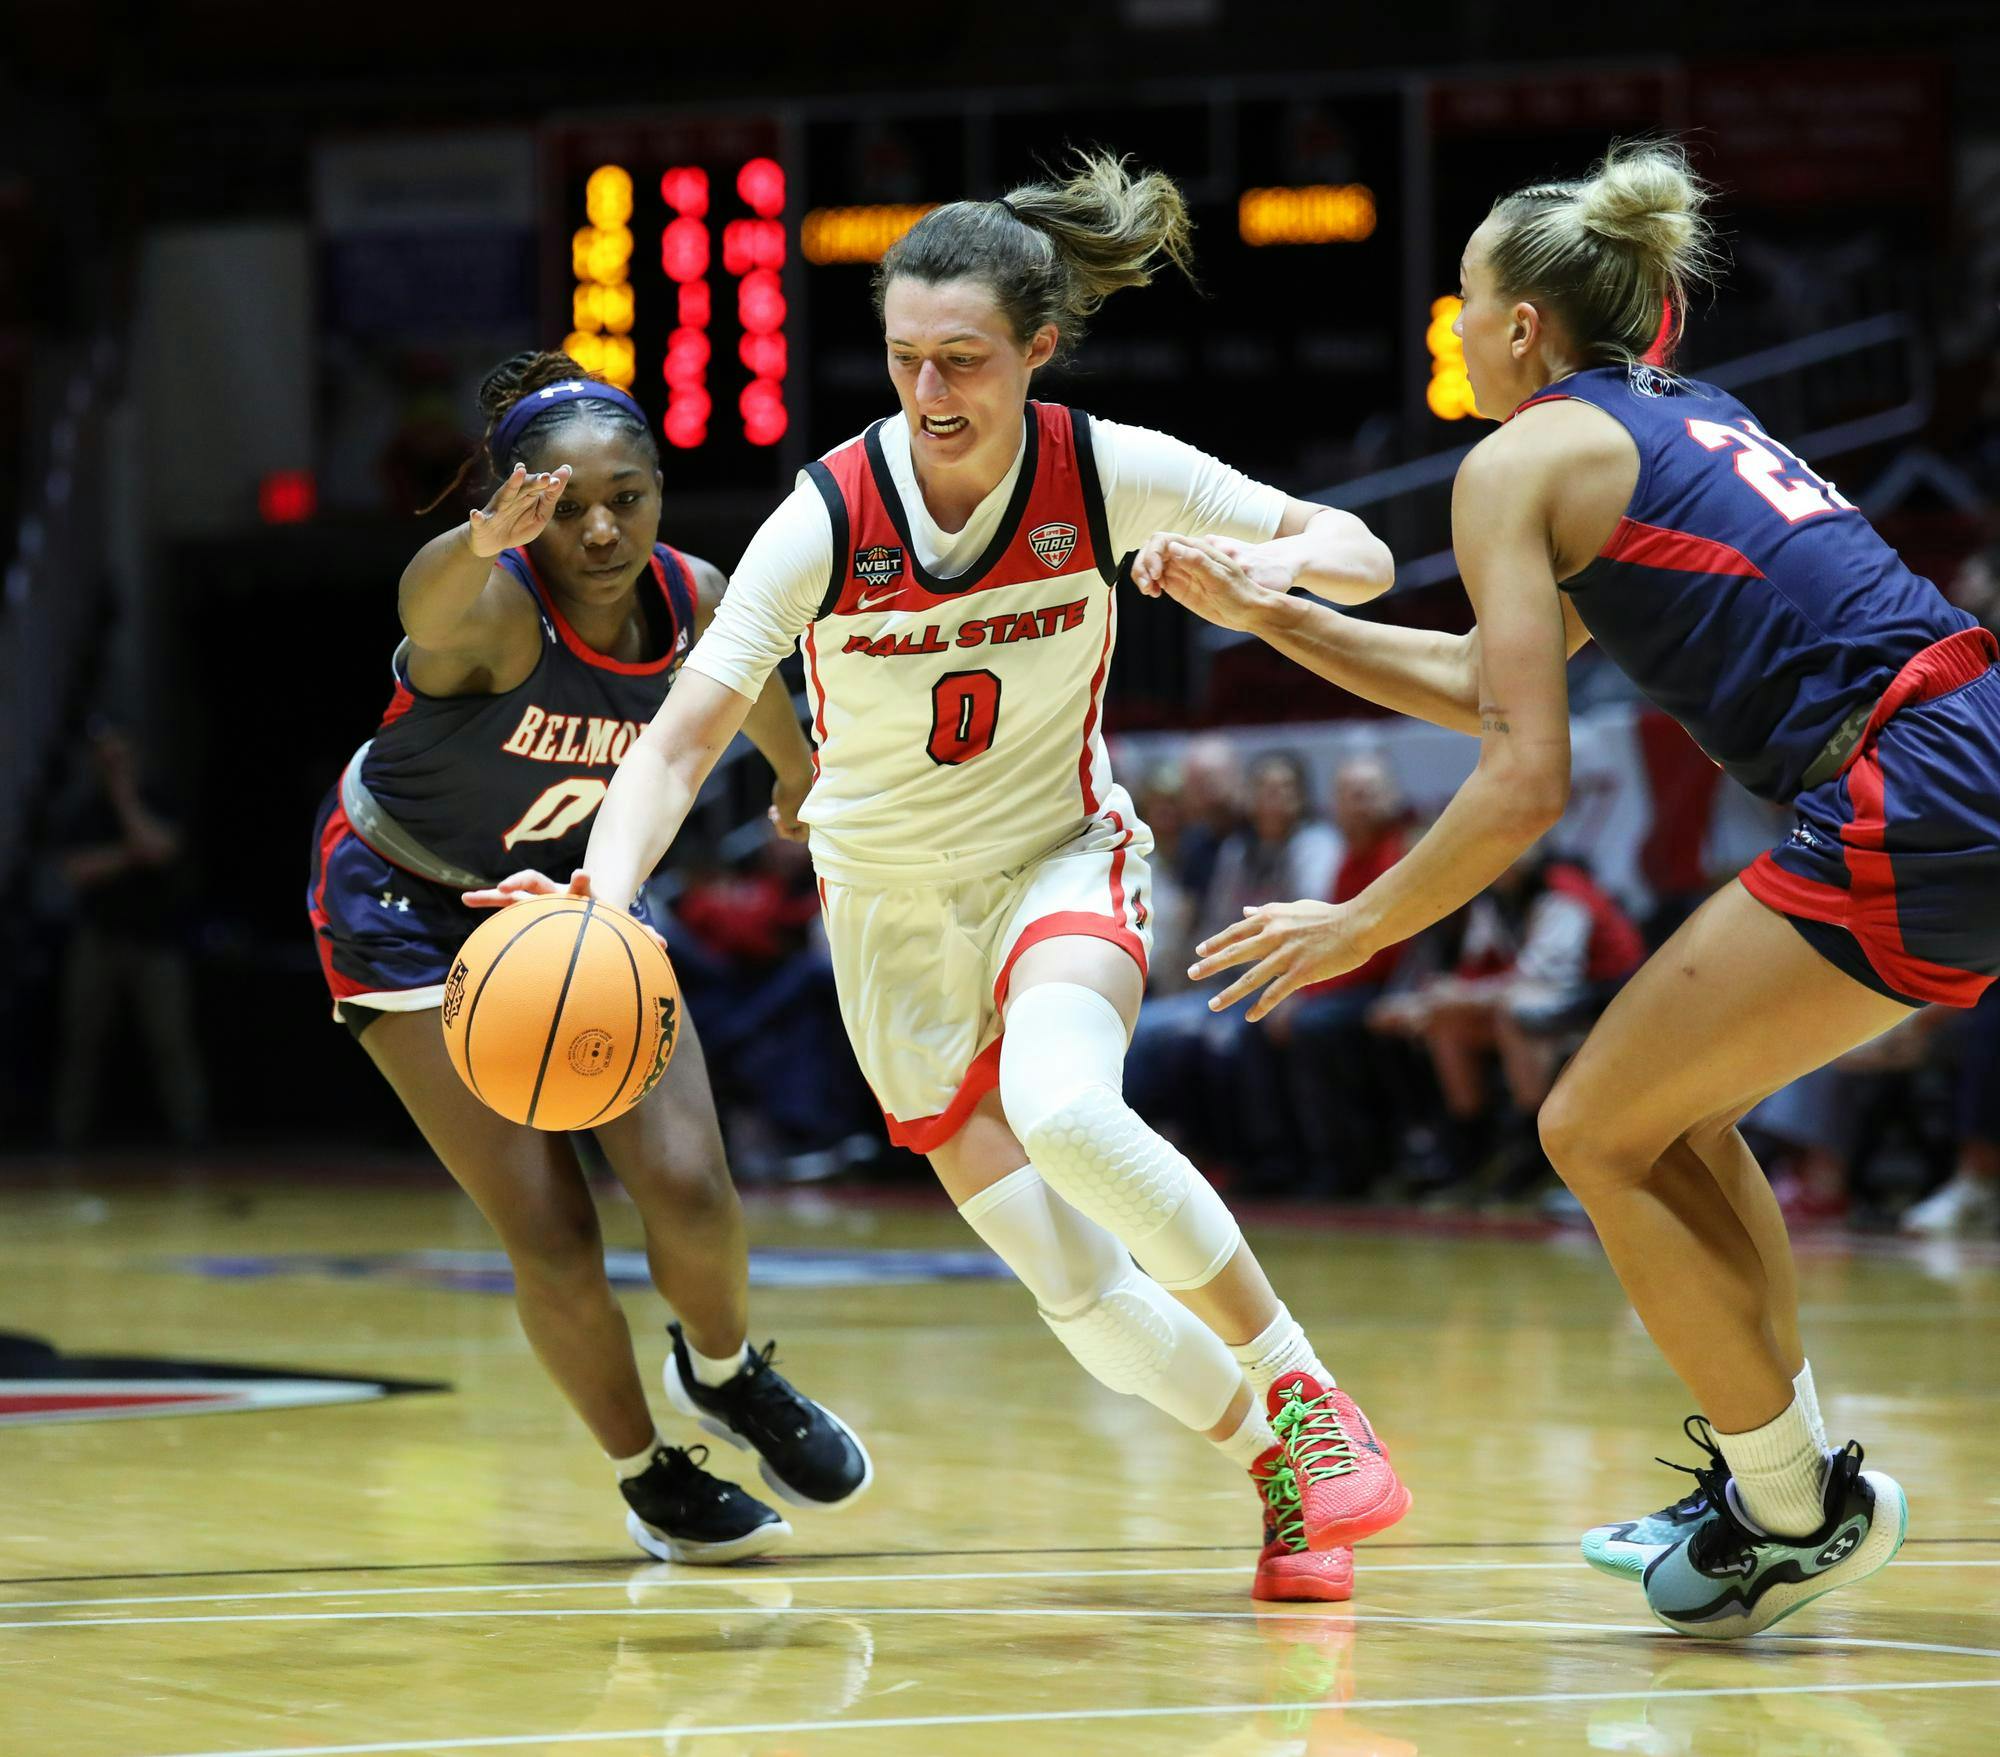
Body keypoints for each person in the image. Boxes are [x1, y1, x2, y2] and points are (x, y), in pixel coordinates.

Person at [473, 152, 1409, 1603]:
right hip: (891, 919)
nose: (931, 390)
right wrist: (600, 891)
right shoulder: (828, 514)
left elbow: (1360, 548)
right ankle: (1280, 1473)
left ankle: (1305, 1390)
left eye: (963, 359)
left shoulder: (1103, 470)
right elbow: (676, 746)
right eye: (907, 358)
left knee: (1066, 1106)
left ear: (1037, 348)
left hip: (1060, 860)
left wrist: (1272, 572)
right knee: (1070, 1281)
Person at [1155, 139, 2000, 1637]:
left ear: (1525, 327)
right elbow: (1489, 678)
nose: (1458, 331)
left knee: (1589, 1127)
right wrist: (1273, 614)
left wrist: (1359, 926)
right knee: (1664, 1116)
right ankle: (1783, 1485)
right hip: (1957, 754)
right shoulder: (1680, 418)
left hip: (1913, 788)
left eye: (1465, 306)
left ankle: (1792, 1505)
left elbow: (1523, 778)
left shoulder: (1516, 457)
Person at [307, 350, 870, 1564]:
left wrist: (793, 770)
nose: (603, 526)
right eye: (568, 504)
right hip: (407, 905)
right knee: (550, 1227)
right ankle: (645, 1471)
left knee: (690, 1185)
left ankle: (722, 1372)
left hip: (573, 900)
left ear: (661, 491)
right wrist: (472, 545)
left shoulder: (697, 593)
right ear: (521, 504)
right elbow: (423, 610)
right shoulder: (493, 608)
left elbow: (744, 686)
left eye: (631, 494)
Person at [1370, 850, 1644, 1198]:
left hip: (1607, 1002)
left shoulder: (1562, 891)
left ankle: (1536, 1146)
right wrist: (1431, 1002)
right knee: (1445, 1023)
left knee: (1512, 1014)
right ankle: (1470, 1145)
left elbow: (1544, 980)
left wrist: (1450, 998)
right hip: (1550, 998)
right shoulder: (1493, 893)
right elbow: (1480, 968)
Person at [52, 723, 209, 1150]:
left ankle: (192, 1137)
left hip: (156, 940)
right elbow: (78, 871)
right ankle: (67, 1140)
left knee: (170, 1041)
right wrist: (131, 854)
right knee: (82, 1042)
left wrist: (124, 797)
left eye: (119, 756)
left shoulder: (157, 799)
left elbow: (161, 849)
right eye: (105, 758)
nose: (112, 764)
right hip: (98, 939)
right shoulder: (83, 810)